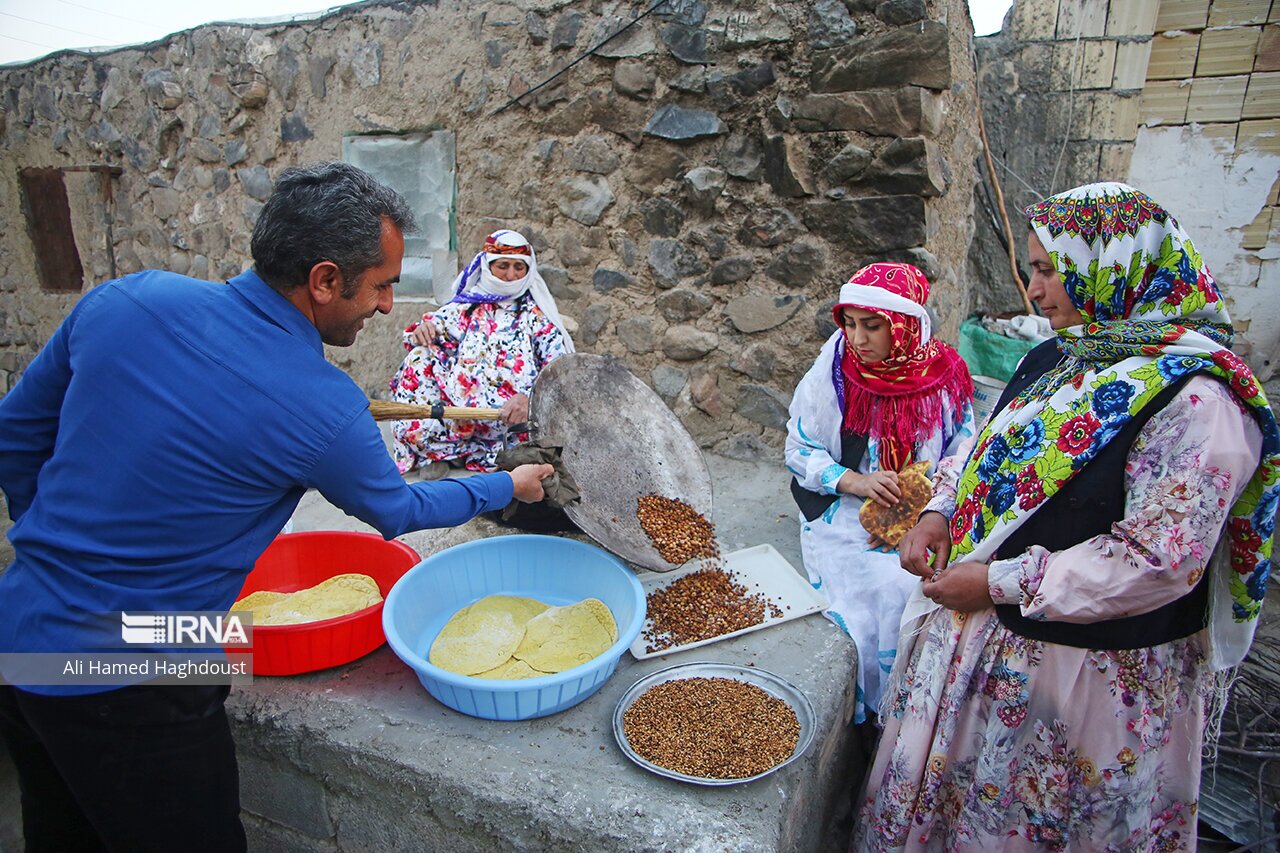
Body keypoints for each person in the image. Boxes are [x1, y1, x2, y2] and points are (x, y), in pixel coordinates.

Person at [0, 161, 553, 852]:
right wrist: (507, 484)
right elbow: (397, 509)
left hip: (19, 633)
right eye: (381, 285)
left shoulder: (127, 300)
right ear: (324, 280)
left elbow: (15, 435)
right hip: (137, 671)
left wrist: (50, 553)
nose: (387, 306)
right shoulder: (320, 402)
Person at [854, 182, 1279, 851]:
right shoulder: (1060, 356)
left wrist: (997, 583)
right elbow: (985, 447)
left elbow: (1157, 560)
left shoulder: (1198, 403)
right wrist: (939, 510)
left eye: (1051, 270)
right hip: (984, 655)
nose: (1036, 289)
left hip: (1081, 687)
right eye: (1033, 270)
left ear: (1117, 268)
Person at [785, 262, 974, 726]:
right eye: (850, 324)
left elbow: (963, 448)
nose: (858, 339)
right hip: (847, 513)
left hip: (932, 509)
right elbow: (799, 447)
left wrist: (929, 509)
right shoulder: (833, 374)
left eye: (872, 326)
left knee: (940, 590)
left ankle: (925, 720)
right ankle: (884, 717)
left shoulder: (944, 376)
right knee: (888, 591)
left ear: (905, 326)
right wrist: (860, 482)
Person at [389, 228, 574, 477]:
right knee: (419, 357)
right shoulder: (468, 306)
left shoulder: (535, 315)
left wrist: (529, 398)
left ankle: (476, 454)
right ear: (488, 266)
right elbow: (437, 325)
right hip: (463, 415)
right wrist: (425, 329)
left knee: (523, 451)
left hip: (510, 419)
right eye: (503, 266)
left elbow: (558, 366)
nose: (511, 275)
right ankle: (437, 452)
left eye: (519, 268)